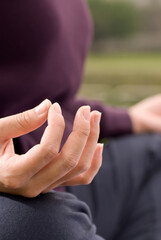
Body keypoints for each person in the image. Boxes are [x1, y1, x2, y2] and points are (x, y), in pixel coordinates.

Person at [1, 0, 161, 239]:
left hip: (57, 183)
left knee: (155, 153)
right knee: (42, 225)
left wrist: (127, 119)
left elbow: (43, 98)